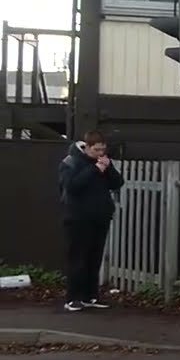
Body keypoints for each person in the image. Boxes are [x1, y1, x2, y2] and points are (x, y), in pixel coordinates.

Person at [58, 130, 124, 311]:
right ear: (86, 147)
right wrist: (94, 170)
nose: (100, 154)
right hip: (78, 217)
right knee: (78, 258)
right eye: (96, 150)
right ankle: (73, 298)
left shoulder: (103, 162)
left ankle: (90, 296)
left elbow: (117, 183)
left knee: (94, 258)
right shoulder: (71, 162)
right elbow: (72, 186)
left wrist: (108, 168)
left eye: (103, 150)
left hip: (100, 216)